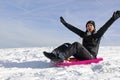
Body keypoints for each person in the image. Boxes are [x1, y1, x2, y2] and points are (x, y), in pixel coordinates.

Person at [43, 10, 120, 62]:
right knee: (67, 44)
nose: (89, 27)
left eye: (90, 25)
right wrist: (65, 23)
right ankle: (53, 54)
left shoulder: (97, 35)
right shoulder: (84, 34)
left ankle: (61, 57)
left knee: (76, 44)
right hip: (82, 56)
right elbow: (73, 29)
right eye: (87, 25)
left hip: (90, 56)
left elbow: (105, 26)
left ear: (94, 27)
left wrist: (113, 19)